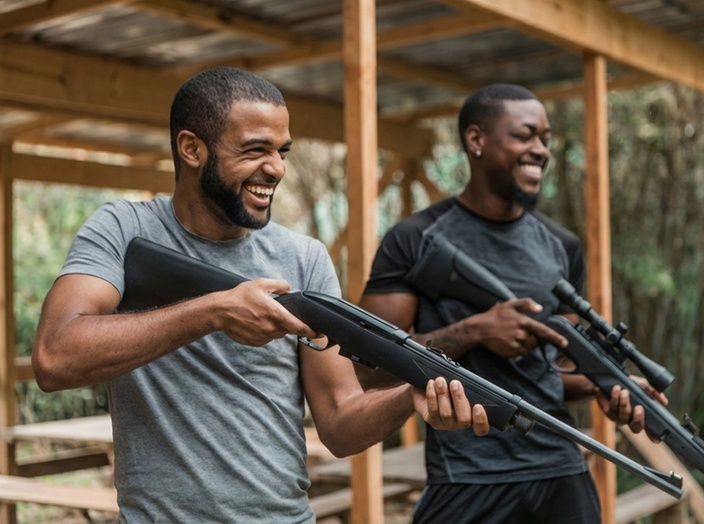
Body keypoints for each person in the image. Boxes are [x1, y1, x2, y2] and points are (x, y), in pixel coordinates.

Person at [32, 67, 489, 523]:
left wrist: (409, 396)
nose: (276, 169)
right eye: (255, 150)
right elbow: (54, 357)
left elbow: (340, 423)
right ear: (191, 149)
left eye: (282, 151)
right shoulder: (123, 228)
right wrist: (213, 312)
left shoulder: (304, 257)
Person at [359, 83, 668, 523]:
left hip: (561, 473)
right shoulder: (413, 240)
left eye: (545, 139)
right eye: (525, 136)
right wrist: (474, 331)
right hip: (467, 478)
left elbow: (551, 374)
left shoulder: (562, 246)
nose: (541, 149)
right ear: (476, 140)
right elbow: (369, 367)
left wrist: (608, 386)